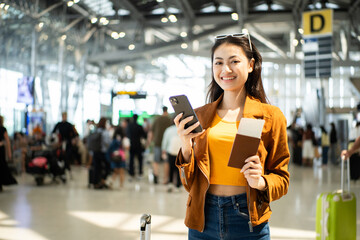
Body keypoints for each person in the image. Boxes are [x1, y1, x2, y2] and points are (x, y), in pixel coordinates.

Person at [173, 33, 290, 239]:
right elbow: (189, 184)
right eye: (218, 63)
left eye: (234, 61)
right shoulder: (201, 116)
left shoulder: (270, 116)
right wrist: (185, 147)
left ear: (251, 65)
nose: (225, 69)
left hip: (247, 219)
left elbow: (282, 179)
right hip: (202, 218)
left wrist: (261, 181)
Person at [148, 106, 172, 184]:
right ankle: (165, 178)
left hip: (157, 142)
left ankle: (156, 175)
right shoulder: (170, 120)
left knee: (156, 160)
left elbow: (151, 132)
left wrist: (150, 141)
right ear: (167, 110)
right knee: (166, 161)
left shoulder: (157, 119)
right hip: (168, 144)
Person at [161, 119, 182, 192]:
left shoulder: (168, 130)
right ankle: (178, 185)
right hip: (180, 152)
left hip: (171, 151)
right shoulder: (182, 129)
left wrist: (163, 150)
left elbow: (165, 141)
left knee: (171, 168)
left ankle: (170, 183)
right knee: (179, 169)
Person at [126, 114, 146, 180]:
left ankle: (131, 173)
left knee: (131, 160)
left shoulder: (129, 126)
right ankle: (140, 173)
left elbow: (127, 134)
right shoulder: (139, 126)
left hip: (131, 145)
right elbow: (144, 135)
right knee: (140, 160)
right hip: (138, 145)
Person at [0, 115, 17, 192]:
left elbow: (7, 141)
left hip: (1, 150)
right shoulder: (3, 129)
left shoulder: (3, 129)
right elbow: (7, 142)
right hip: (1, 148)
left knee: (2, 165)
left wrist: (9, 153)